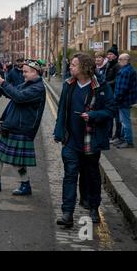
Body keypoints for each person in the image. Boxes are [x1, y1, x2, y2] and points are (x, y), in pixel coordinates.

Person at [54, 53, 115, 227]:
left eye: (73, 65)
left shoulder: (100, 86)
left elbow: (111, 110)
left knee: (91, 176)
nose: (70, 67)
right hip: (71, 140)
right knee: (70, 175)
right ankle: (67, 213)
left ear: (84, 68)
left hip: (91, 140)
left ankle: (93, 207)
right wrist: (59, 132)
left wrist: (93, 115)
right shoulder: (68, 84)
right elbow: (61, 111)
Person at [0, 59, 46, 196]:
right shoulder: (28, 84)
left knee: (17, 163)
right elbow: (13, 93)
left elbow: (19, 97)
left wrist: (4, 83)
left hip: (22, 128)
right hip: (12, 125)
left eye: (26, 72)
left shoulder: (37, 88)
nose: (23, 74)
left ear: (35, 73)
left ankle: (25, 185)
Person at [113, 54, 137, 149]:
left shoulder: (125, 71)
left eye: (120, 59)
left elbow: (122, 88)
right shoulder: (128, 70)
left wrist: (116, 99)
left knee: (125, 121)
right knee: (123, 120)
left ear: (126, 60)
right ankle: (123, 139)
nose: (118, 61)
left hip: (124, 100)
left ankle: (129, 141)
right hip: (126, 99)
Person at [105, 45, 122, 142]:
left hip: (115, 93)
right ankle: (109, 134)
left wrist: (107, 83)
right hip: (109, 93)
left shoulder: (117, 66)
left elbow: (117, 80)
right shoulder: (109, 64)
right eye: (108, 54)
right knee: (110, 115)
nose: (108, 56)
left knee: (117, 117)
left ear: (115, 56)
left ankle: (117, 135)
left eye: (110, 54)